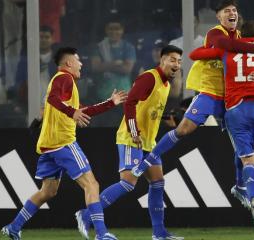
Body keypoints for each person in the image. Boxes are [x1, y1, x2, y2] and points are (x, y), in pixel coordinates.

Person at [131, 0, 254, 205]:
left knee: (240, 147)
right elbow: (224, 47)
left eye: (234, 10)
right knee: (183, 129)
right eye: (227, 11)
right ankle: (147, 161)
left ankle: (240, 187)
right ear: (218, 16)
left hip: (231, 99)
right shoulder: (215, 34)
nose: (232, 13)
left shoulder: (241, 37)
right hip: (210, 92)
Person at [1, 47, 127, 240]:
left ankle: (14, 226)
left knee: (47, 191)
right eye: (78, 60)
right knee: (92, 185)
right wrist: (73, 113)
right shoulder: (64, 78)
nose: (81, 64)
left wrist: (110, 103)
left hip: (49, 145)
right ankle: (101, 234)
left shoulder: (64, 84)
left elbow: (82, 111)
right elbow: (53, 100)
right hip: (63, 142)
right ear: (68, 63)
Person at [75, 45, 184, 240]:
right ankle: (85, 214)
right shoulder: (149, 77)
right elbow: (130, 102)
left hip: (148, 142)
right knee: (127, 184)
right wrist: (134, 131)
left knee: (158, 182)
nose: (177, 64)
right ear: (162, 60)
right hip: (130, 138)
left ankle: (159, 233)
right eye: (173, 59)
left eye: (179, 61)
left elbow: (150, 109)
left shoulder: (166, 84)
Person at [189, 20, 254, 232]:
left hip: (235, 110)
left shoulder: (227, 51)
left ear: (241, 36)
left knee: (248, 160)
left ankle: (253, 198)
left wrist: (219, 46)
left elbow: (195, 55)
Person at [91, 18, 136, 127]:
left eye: (117, 29)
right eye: (111, 29)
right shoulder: (99, 47)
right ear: (106, 30)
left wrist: (106, 65)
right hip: (103, 96)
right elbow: (96, 67)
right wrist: (117, 63)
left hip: (124, 97)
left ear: (122, 30)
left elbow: (127, 69)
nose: (114, 32)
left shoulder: (128, 47)